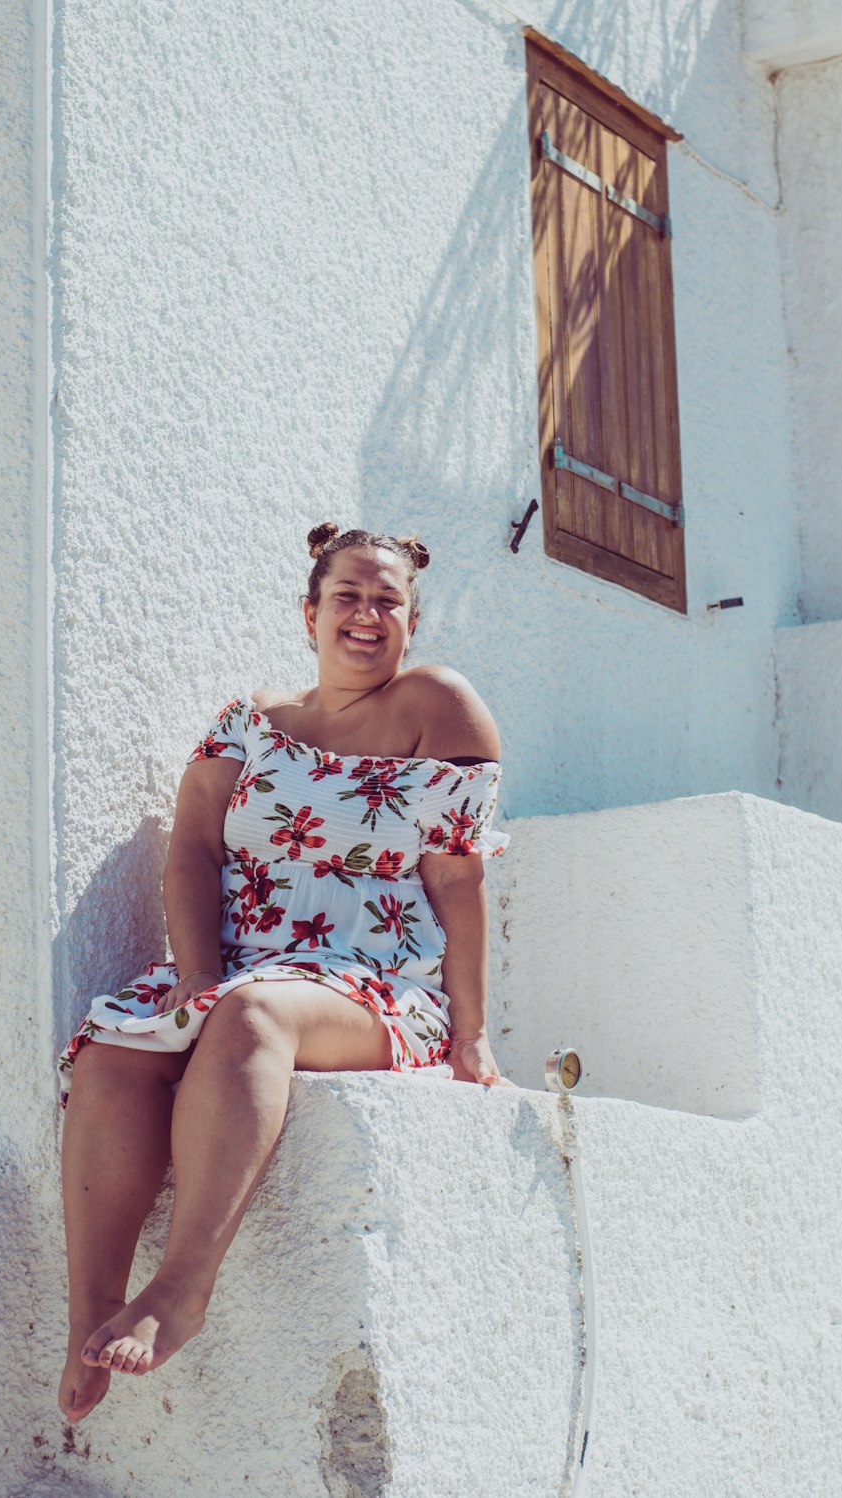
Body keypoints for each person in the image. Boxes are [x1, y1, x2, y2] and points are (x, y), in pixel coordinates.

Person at [56, 522, 510, 1424]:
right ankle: (88, 1317)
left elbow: (458, 876)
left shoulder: (439, 704)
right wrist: (196, 973)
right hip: (246, 967)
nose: (367, 613)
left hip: (376, 980)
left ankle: (182, 1287)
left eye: (389, 600)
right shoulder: (248, 723)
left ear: (412, 623)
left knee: (253, 1016)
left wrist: (472, 1032)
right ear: (310, 612)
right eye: (347, 595)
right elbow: (189, 849)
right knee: (115, 1048)